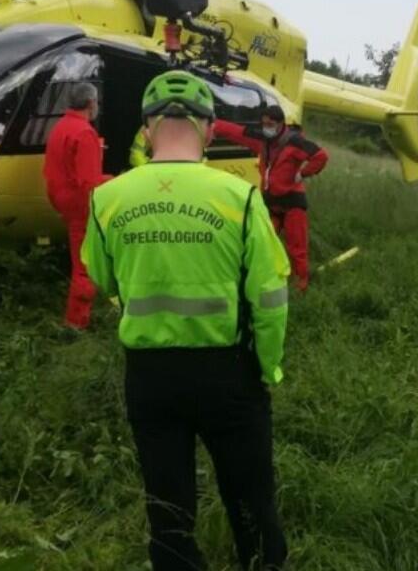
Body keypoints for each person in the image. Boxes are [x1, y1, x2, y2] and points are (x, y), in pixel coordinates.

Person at [82, 70, 291, 570]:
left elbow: (104, 283)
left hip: (151, 377)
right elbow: (269, 296)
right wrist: (268, 368)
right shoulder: (239, 198)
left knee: (169, 510)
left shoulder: (107, 198)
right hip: (231, 374)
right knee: (250, 504)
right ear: (211, 129)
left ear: (147, 130)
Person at [214, 106, 328, 291]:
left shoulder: (295, 142)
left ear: (281, 124)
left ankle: (301, 285)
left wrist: (303, 173)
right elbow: (236, 131)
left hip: (292, 203)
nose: (267, 127)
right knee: (261, 242)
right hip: (270, 202)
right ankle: (263, 278)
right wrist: (211, 123)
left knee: (296, 247)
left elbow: (320, 156)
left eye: (271, 124)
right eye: (264, 124)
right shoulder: (262, 140)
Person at [43, 82, 110, 329]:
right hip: (79, 205)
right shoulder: (85, 133)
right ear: (91, 103)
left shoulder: (60, 126)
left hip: (61, 199)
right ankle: (75, 323)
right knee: (83, 267)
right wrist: (118, 180)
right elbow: (89, 183)